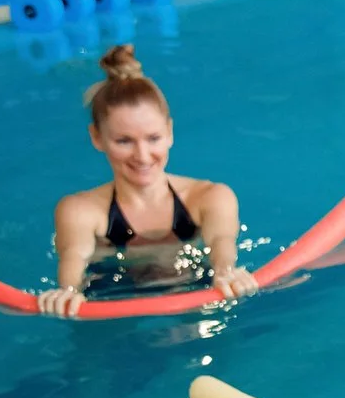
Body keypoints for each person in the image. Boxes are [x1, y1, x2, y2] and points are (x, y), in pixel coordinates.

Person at [40, 46, 260, 316]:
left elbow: (223, 241)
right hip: (113, 300)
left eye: (153, 138)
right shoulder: (80, 210)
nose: (142, 156)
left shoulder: (210, 197)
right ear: (97, 137)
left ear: (169, 132)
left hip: (198, 293)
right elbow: (75, 256)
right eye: (124, 141)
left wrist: (227, 274)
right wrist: (68, 293)